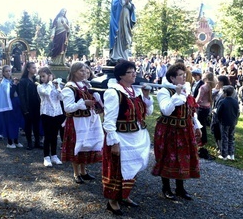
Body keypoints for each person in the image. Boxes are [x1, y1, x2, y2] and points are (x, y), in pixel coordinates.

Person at [102, 60, 153, 215]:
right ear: (121, 76)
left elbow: (147, 113)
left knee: (132, 167)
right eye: (131, 72)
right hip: (121, 137)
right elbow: (109, 121)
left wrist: (146, 97)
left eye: (134, 71)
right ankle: (113, 201)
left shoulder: (135, 91)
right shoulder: (114, 92)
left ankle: (125, 195)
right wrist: (114, 142)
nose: (134, 74)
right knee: (117, 169)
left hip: (136, 137)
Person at [152, 62, 202, 201]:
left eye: (184, 74)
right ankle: (166, 188)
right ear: (172, 78)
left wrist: (197, 126)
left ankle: (180, 188)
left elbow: (191, 110)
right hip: (169, 129)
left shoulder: (186, 90)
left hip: (184, 129)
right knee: (168, 157)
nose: (183, 77)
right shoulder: (164, 91)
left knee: (183, 158)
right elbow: (166, 111)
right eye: (180, 75)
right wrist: (177, 94)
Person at [61, 62, 104, 184]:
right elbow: (68, 108)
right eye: (81, 71)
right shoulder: (69, 88)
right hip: (76, 121)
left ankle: (84, 171)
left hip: (88, 120)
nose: (84, 73)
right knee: (77, 145)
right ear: (74, 72)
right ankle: (76, 172)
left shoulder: (86, 85)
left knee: (86, 144)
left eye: (85, 71)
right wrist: (83, 103)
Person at [37, 67, 65, 167]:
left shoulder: (54, 86)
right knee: (47, 136)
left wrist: (58, 87)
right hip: (46, 113)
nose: (42, 78)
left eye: (44, 76)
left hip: (57, 113)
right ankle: (46, 157)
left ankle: (54, 155)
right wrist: (49, 83)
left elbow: (61, 98)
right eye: (41, 77)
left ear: (49, 75)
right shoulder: (41, 87)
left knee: (54, 136)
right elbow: (47, 93)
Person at [108, 0, 136, 64]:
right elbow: (114, 5)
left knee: (126, 36)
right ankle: (116, 55)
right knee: (119, 35)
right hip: (118, 18)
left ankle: (124, 55)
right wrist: (123, 1)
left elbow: (131, 7)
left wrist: (129, 4)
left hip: (126, 18)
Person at [18, 62, 42, 150]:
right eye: (33, 68)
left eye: (35, 68)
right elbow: (22, 95)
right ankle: (29, 142)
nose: (35, 69)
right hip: (28, 105)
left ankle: (37, 142)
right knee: (28, 125)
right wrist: (25, 108)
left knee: (36, 124)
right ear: (28, 69)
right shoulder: (23, 81)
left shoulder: (36, 80)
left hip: (37, 105)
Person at [216, 85, 240, 161]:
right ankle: (231, 154)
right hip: (232, 121)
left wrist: (219, 119)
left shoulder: (222, 101)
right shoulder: (235, 102)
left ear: (225, 93)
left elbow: (219, 112)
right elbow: (237, 112)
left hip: (224, 121)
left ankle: (224, 155)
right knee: (231, 137)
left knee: (224, 137)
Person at [195, 71, 215, 148]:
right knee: (203, 124)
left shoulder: (203, 87)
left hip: (201, 107)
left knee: (200, 125)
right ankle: (204, 139)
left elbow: (198, 99)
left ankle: (202, 140)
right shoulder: (211, 87)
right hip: (207, 107)